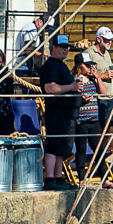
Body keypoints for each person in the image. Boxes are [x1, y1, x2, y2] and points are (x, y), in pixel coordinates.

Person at [39, 32, 79, 184]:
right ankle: (50, 177)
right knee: (54, 145)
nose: (65, 50)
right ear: (53, 47)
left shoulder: (61, 65)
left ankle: (58, 176)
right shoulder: (50, 66)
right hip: (56, 112)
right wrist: (71, 86)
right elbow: (50, 88)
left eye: (67, 47)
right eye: (62, 47)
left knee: (62, 148)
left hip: (66, 113)